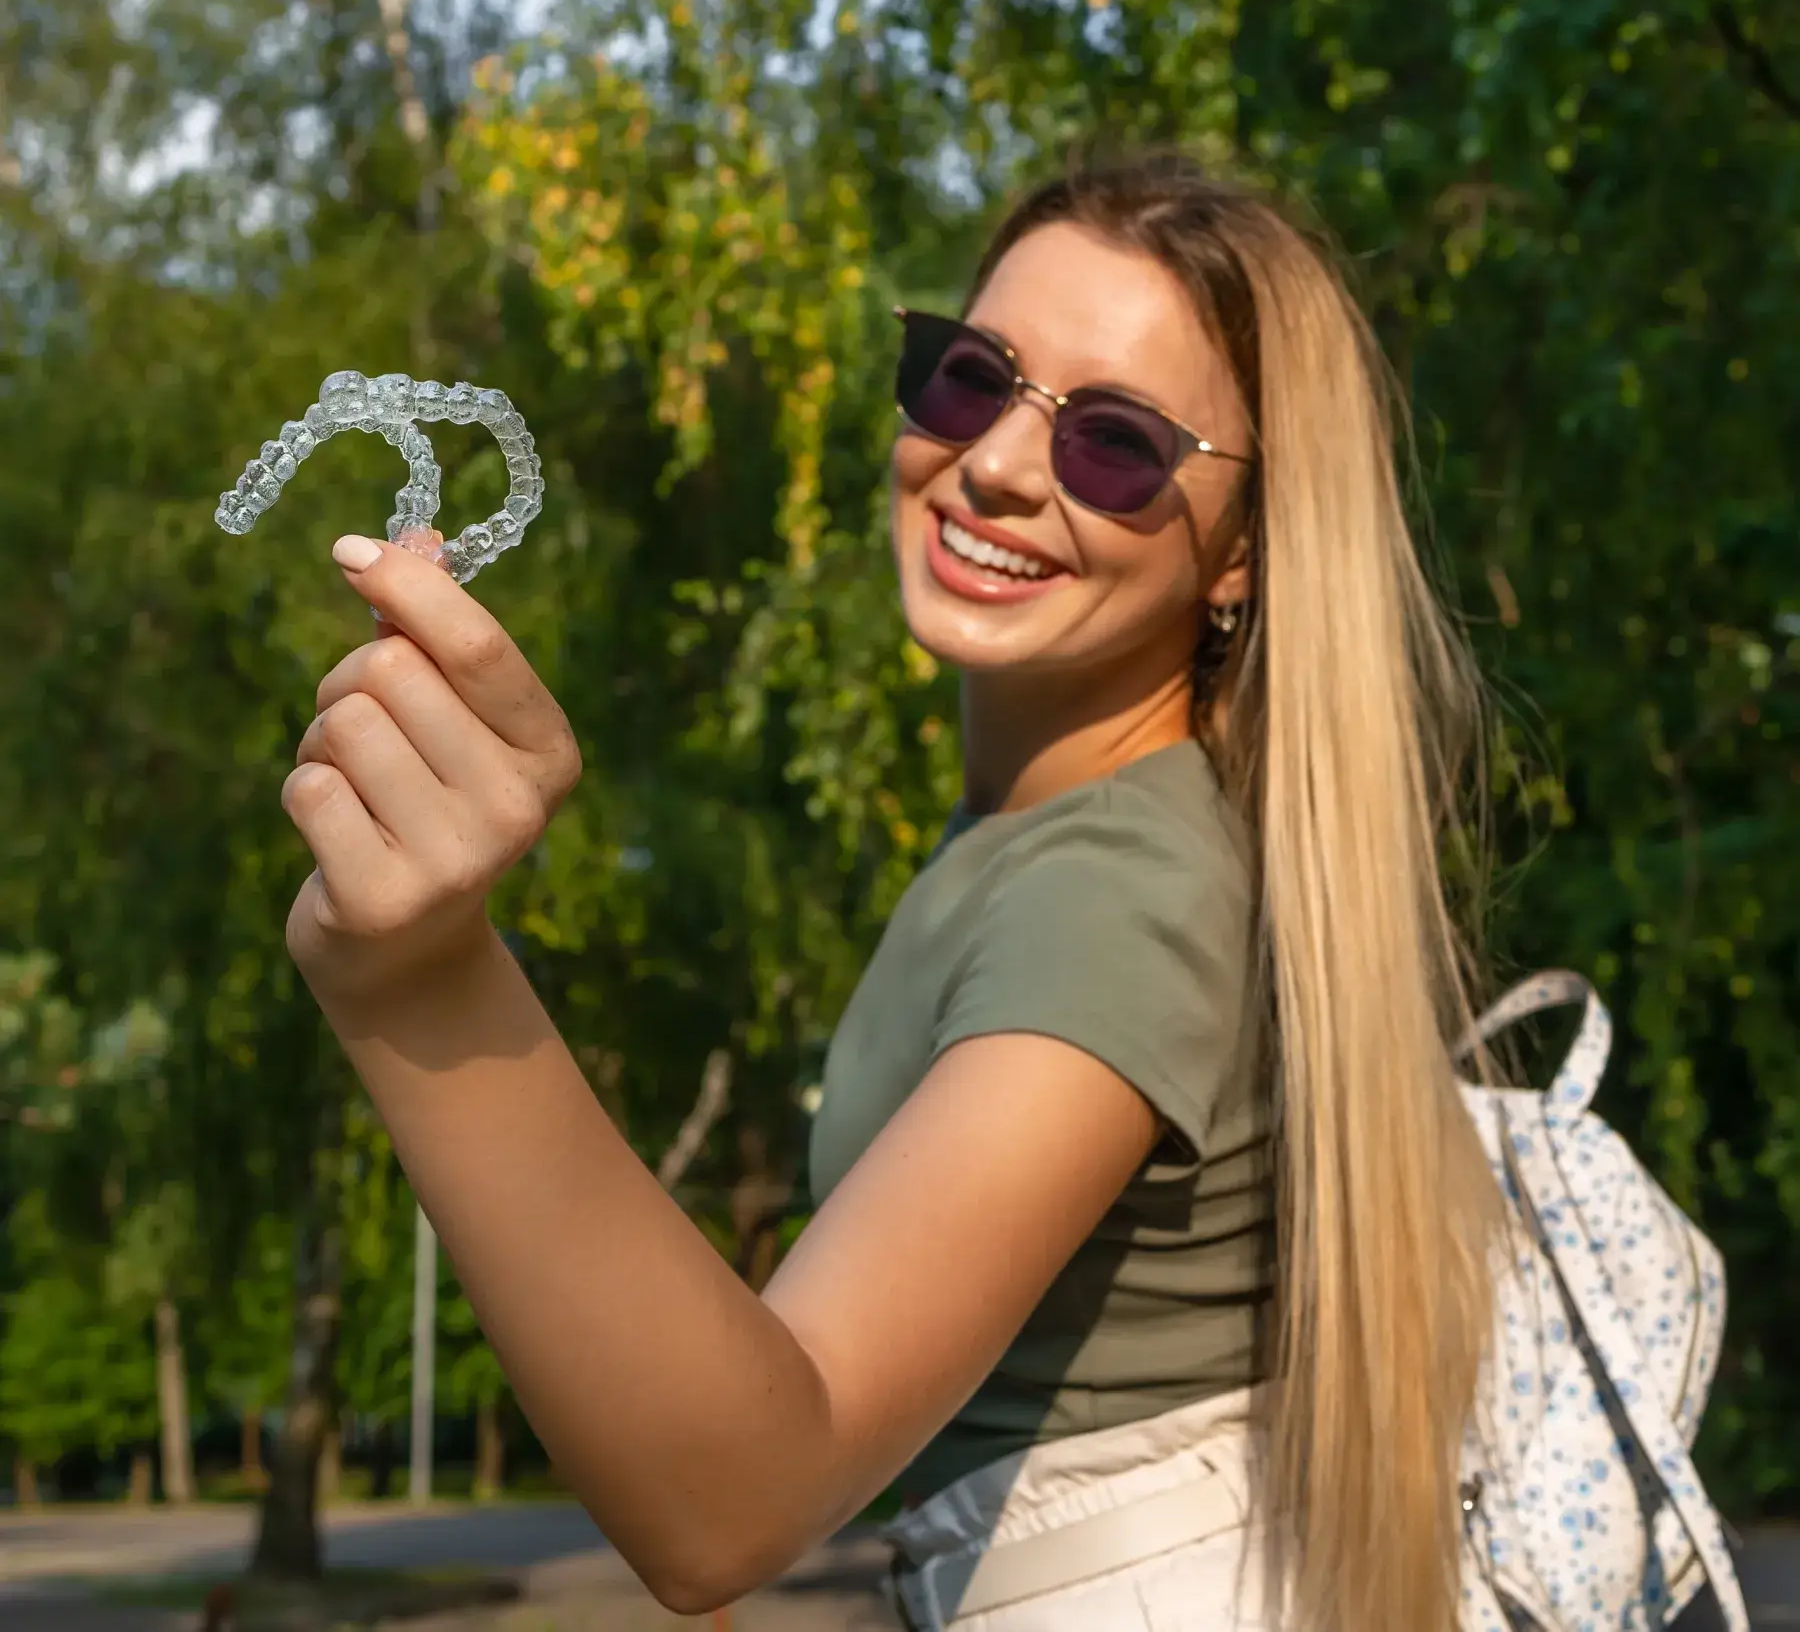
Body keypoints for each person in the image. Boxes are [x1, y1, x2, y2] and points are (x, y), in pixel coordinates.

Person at [281, 153, 1504, 1632]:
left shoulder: (1124, 886)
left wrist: (423, 978)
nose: (995, 461)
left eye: (1118, 443)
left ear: (1242, 552)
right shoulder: (1056, 838)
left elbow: (733, 1496)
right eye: (970, 374)